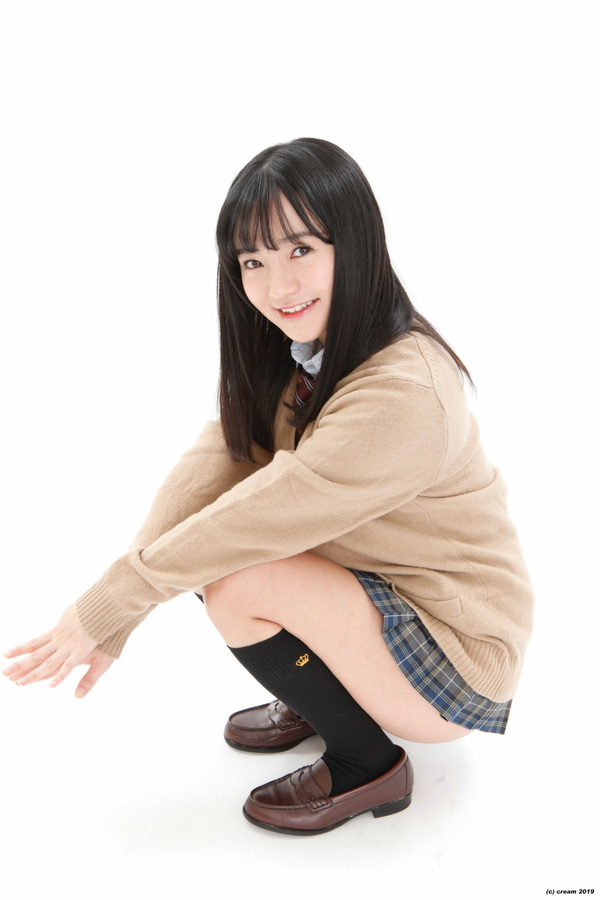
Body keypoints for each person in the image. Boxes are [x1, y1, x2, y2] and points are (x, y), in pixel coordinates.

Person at [3, 138, 533, 836]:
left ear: (356, 243)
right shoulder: (311, 353)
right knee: (206, 548)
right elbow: (220, 462)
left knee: (236, 576)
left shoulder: (403, 393)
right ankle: (328, 696)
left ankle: (367, 763)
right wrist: (123, 605)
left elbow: (254, 520)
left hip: (456, 653)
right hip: (386, 598)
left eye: (301, 250)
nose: (278, 286)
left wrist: (114, 600)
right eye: (253, 261)